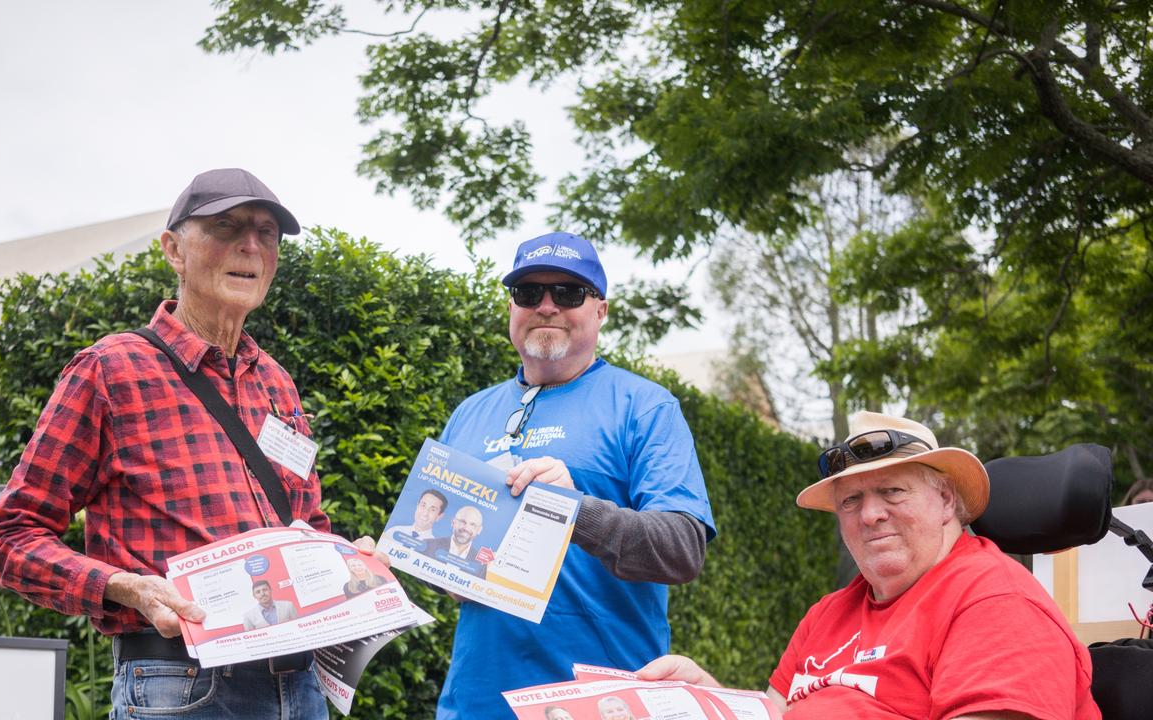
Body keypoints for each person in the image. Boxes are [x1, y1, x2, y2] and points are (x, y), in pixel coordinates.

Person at [0, 168, 355, 719]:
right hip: (180, 686)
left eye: (267, 233)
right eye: (226, 227)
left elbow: (308, 525)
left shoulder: (276, 381)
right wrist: (124, 587)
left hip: (299, 687)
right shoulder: (110, 370)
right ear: (174, 250)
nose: (250, 245)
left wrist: (348, 565)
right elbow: (8, 539)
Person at [638, 412, 1102, 720]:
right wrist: (708, 698)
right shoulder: (828, 613)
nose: (870, 514)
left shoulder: (995, 602)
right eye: (852, 500)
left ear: (945, 499)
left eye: (892, 492)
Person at [435, 232, 716, 719]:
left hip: (601, 702)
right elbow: (446, 560)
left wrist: (575, 510)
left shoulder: (645, 407)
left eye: (567, 293)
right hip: (476, 703)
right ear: (511, 307)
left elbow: (683, 549)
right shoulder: (469, 413)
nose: (546, 306)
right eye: (529, 293)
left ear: (600, 311)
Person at [421, 506, 487, 578]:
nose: (466, 528)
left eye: (473, 524)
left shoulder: (481, 564)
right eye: (462, 522)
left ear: (479, 530)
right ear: (453, 522)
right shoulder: (429, 545)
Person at [384, 488, 448, 540]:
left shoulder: (434, 548)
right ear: (417, 505)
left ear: (439, 516)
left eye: (432, 510)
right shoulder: (393, 531)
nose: (425, 513)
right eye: (423, 505)